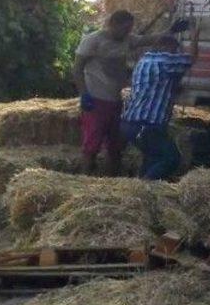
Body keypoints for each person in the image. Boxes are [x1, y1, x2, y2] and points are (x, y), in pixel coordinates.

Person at [71, 10, 187, 175]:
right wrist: (84, 93)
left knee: (116, 147)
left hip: (115, 100)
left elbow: (149, 39)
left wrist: (171, 30)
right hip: (95, 100)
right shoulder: (93, 40)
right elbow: (77, 69)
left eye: (129, 29)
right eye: (125, 28)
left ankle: (112, 181)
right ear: (112, 24)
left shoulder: (127, 40)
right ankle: (84, 179)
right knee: (92, 146)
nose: (127, 32)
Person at [121, 35, 193, 180]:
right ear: (164, 47)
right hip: (147, 124)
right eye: (174, 50)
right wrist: (195, 38)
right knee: (171, 158)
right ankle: (145, 185)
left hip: (130, 122)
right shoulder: (163, 61)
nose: (174, 54)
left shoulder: (143, 61)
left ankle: (140, 186)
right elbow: (190, 59)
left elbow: (157, 83)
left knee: (152, 157)